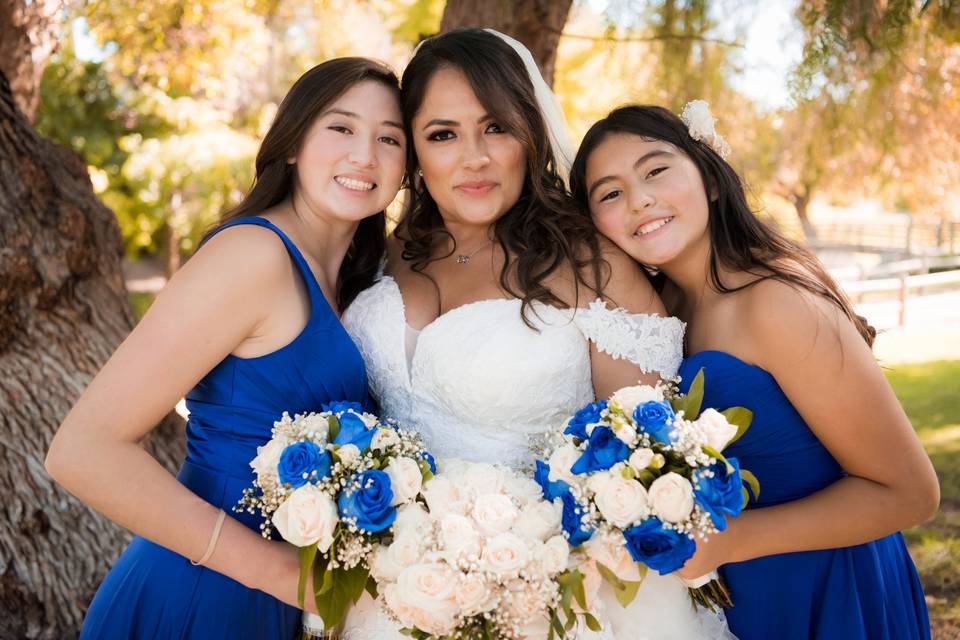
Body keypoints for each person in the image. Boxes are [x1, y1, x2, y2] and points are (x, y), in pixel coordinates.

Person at [339, 29, 733, 639]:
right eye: (443, 134)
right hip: (391, 596)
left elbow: (644, 459)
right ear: (414, 149)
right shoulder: (385, 254)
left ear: (531, 132)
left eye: (496, 127)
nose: (475, 157)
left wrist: (522, 569)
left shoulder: (587, 260)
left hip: (563, 597)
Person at [44, 57, 407, 639]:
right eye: (341, 128)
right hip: (201, 594)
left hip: (290, 604)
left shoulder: (364, 284)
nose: (365, 155)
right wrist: (277, 573)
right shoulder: (254, 257)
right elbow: (81, 450)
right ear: (293, 144)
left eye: (389, 139)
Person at [569, 102, 938, 640]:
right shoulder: (661, 314)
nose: (639, 198)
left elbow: (912, 493)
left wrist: (731, 541)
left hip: (828, 590)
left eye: (655, 170)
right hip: (736, 599)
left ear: (711, 180)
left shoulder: (776, 302)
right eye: (610, 193)